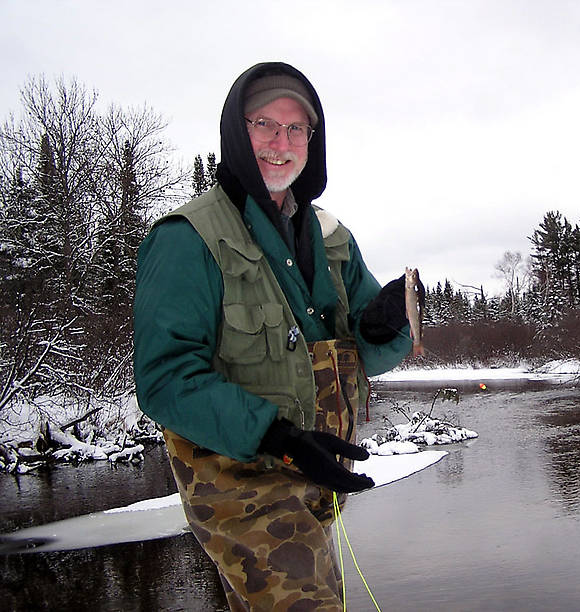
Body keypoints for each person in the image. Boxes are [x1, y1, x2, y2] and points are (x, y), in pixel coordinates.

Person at [134, 62, 418, 611]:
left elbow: (369, 354)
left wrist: (384, 328)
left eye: (296, 130)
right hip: (240, 485)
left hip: (318, 476)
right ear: (236, 134)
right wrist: (277, 438)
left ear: (314, 141)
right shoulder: (185, 240)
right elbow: (165, 378)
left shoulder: (333, 239)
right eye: (264, 124)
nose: (280, 144)